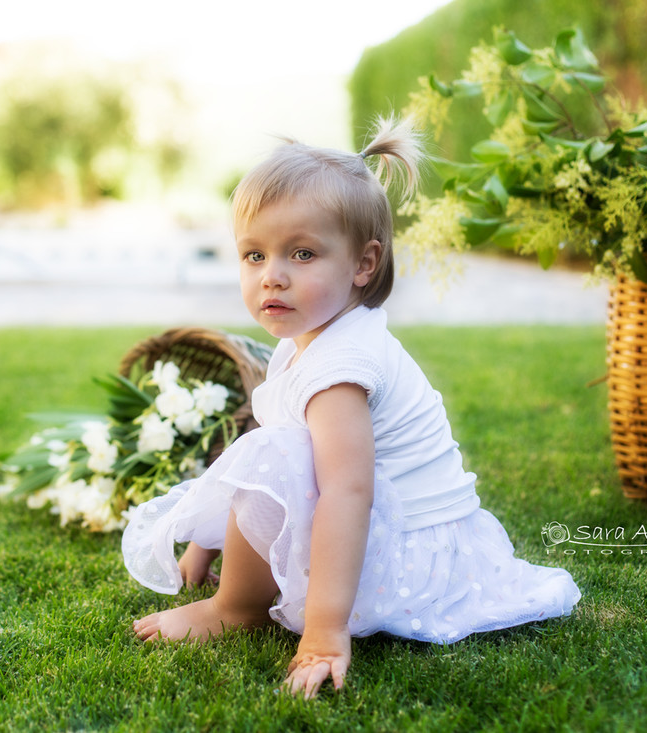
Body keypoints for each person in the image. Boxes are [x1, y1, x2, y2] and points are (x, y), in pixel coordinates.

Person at [121, 117, 581, 699]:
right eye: (254, 255)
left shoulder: (343, 368)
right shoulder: (306, 339)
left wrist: (324, 633)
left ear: (363, 264)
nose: (273, 277)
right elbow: (263, 465)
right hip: (391, 533)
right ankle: (236, 588)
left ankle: (236, 608)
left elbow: (345, 492)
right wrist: (206, 540)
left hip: (394, 555)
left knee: (276, 449)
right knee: (271, 445)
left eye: (303, 253)